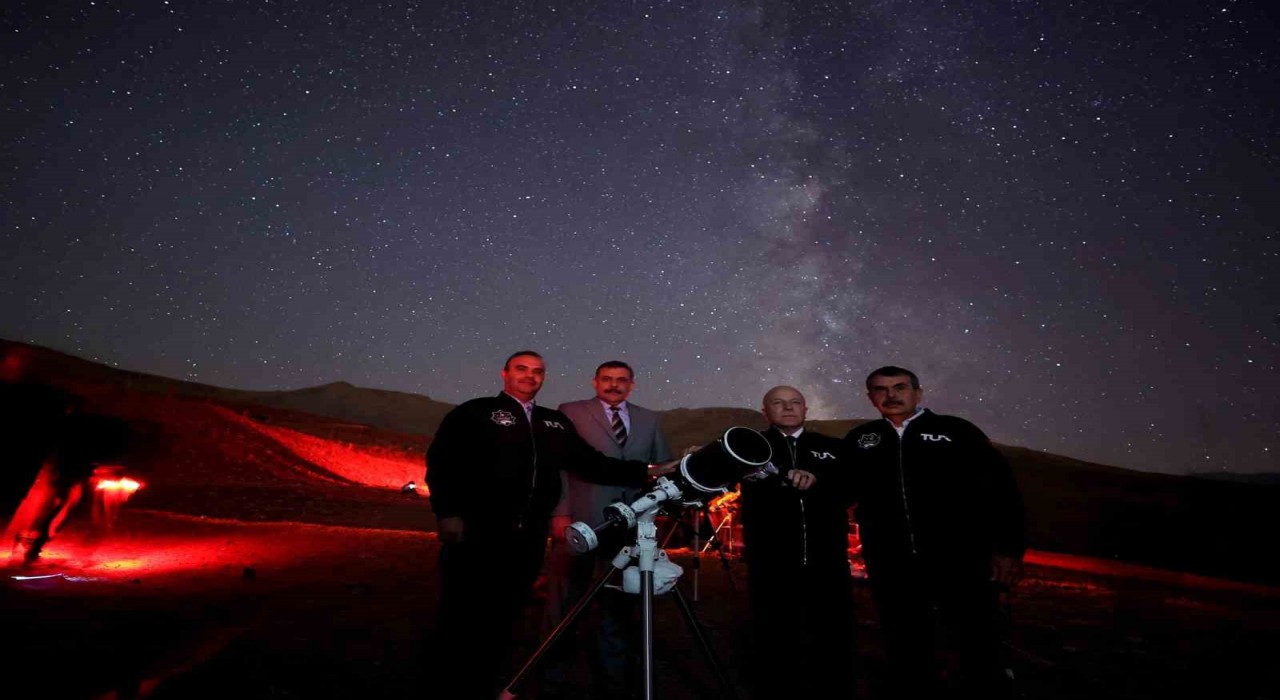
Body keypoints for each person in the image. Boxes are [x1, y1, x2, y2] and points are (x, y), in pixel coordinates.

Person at [424, 351, 677, 700]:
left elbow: (590, 462)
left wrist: (646, 472)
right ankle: (446, 682)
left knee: (507, 609)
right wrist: (448, 511)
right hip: (478, 529)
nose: (529, 376)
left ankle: (486, 679)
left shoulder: (552, 422)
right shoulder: (475, 412)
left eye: (537, 371)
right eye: (521, 369)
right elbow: (443, 461)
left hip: (527, 535)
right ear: (505, 373)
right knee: (463, 609)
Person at [843, 366, 1025, 698]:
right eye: (881, 389)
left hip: (960, 558)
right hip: (891, 561)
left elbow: (1003, 489)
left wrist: (1009, 549)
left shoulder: (956, 430)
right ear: (871, 398)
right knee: (905, 640)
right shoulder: (860, 439)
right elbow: (841, 491)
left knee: (976, 638)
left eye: (900, 387)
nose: (891, 395)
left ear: (918, 393)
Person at [540, 360, 673, 699]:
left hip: (631, 525)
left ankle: (612, 677)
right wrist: (560, 512)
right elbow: (560, 467)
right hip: (582, 519)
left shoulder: (650, 418)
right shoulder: (570, 411)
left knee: (620, 601)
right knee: (565, 597)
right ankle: (551, 671)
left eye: (621, 380)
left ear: (632, 384)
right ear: (595, 382)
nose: (614, 385)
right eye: (607, 379)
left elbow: (660, 467)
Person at [738, 385, 856, 698]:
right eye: (778, 403)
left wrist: (819, 481)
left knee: (833, 633)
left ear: (805, 409)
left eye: (795, 402)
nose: (788, 408)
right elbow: (714, 475)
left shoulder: (833, 447)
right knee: (774, 633)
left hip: (827, 559)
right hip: (771, 561)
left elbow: (853, 487)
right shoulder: (748, 446)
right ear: (765, 411)